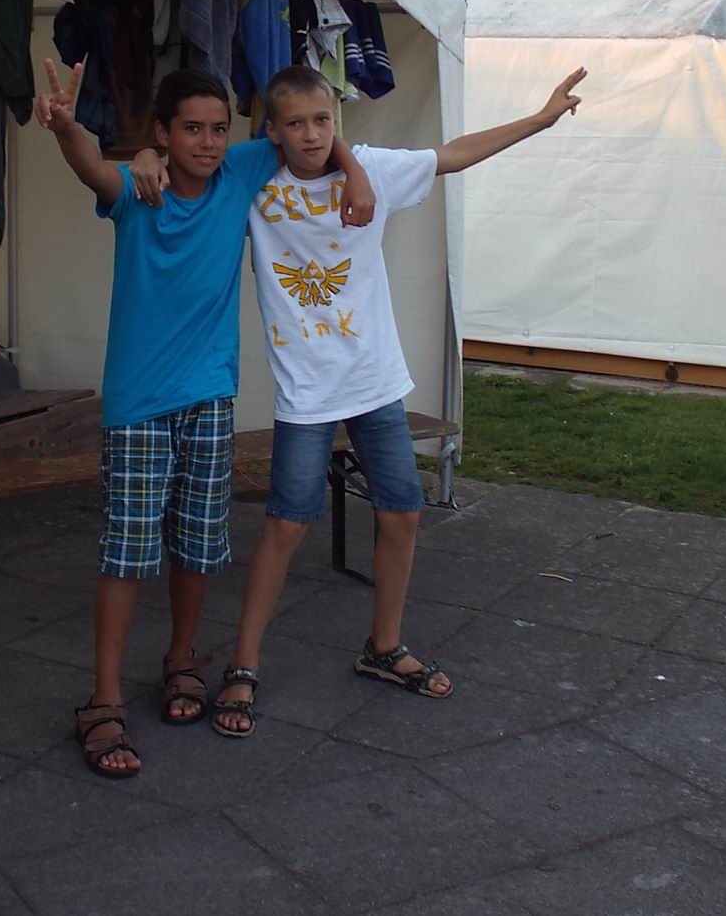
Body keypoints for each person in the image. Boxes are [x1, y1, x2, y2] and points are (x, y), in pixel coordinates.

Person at [208, 62, 588, 737]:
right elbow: (191, 168)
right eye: (294, 123)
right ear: (272, 131)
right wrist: (145, 157)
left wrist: (539, 119)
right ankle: (243, 663)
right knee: (286, 526)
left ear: (336, 121)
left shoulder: (375, 170)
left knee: (403, 512)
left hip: (374, 380)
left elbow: (453, 154)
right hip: (306, 392)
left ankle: (383, 647)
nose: (310, 134)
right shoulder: (254, 182)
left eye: (322, 120)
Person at [36, 59, 374, 779]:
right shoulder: (138, 189)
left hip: (212, 396)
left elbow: (305, 133)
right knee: (127, 552)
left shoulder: (241, 172)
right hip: (139, 404)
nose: (209, 143)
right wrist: (67, 128)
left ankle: (182, 659)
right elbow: (91, 168)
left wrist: (356, 172)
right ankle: (102, 700)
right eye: (191, 130)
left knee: (197, 545)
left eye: (219, 129)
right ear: (162, 133)